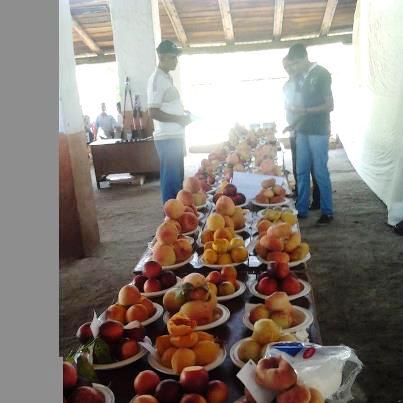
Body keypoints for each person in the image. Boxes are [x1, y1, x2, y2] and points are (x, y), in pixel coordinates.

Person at [285, 43, 334, 225]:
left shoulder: (322, 74)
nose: (294, 68)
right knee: (301, 170)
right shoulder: (299, 78)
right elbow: (298, 108)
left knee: (320, 170)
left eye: (296, 63)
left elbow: (329, 105)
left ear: (305, 57)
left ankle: (327, 211)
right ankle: (302, 208)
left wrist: (305, 111)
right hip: (302, 130)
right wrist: (294, 124)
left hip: (319, 130)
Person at [147, 40, 192, 203]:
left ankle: (179, 214)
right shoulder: (156, 80)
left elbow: (167, 106)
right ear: (162, 57)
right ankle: (171, 217)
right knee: (171, 181)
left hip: (175, 136)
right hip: (167, 138)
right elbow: (153, 111)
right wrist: (179, 119)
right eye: (173, 58)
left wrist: (183, 113)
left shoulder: (166, 78)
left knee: (178, 179)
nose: (176, 61)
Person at [282, 56, 320, 209]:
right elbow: (288, 105)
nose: (289, 69)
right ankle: (300, 193)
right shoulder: (286, 85)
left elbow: (307, 110)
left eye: (291, 65)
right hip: (295, 130)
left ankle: (317, 199)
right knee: (298, 166)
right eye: (285, 67)